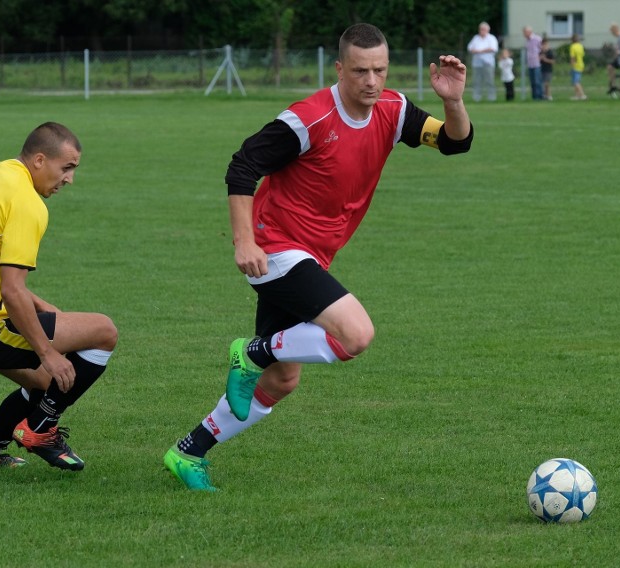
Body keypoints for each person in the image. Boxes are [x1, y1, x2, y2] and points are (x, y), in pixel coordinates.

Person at [163, 23, 473, 491]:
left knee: (283, 380)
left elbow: (455, 141)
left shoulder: (394, 108)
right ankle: (251, 352)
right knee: (356, 334)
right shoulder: (308, 119)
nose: (371, 81)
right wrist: (244, 241)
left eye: (380, 70)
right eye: (360, 71)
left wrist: (453, 101)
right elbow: (243, 165)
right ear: (339, 68)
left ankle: (189, 451)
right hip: (277, 248)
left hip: (315, 255)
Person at [0, 122, 118, 471]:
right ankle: (40, 428)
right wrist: (48, 352)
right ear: (39, 160)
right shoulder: (27, 203)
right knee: (104, 332)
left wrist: (37, 304)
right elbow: (11, 289)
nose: (69, 179)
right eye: (66, 168)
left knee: (47, 384)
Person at [466, 22, 498, 102]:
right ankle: (477, 97)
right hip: (477, 63)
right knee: (477, 81)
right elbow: (470, 48)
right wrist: (480, 51)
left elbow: (493, 48)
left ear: (488, 30)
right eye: (481, 29)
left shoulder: (491, 38)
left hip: (488, 63)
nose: (482, 31)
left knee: (489, 80)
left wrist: (480, 51)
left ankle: (492, 98)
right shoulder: (476, 38)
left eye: (484, 29)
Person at [522, 26, 543, 100]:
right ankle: (534, 96)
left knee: (537, 81)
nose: (523, 34)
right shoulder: (527, 41)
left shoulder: (537, 39)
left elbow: (542, 49)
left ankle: (539, 96)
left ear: (529, 32)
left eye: (524, 32)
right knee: (532, 81)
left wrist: (540, 57)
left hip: (536, 63)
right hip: (530, 63)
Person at [569, 34, 587, 100]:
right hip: (581, 64)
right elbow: (582, 55)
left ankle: (582, 94)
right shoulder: (581, 46)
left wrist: (572, 64)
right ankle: (577, 95)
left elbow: (572, 57)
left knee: (575, 82)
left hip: (575, 65)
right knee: (578, 81)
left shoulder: (572, 47)